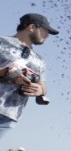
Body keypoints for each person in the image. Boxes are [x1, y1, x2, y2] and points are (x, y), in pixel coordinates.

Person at [0, 14, 58, 143]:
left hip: (10, 115)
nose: (47, 35)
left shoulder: (39, 60)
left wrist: (39, 90)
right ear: (31, 27)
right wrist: (6, 72)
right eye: (45, 30)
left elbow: (42, 87)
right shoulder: (2, 43)